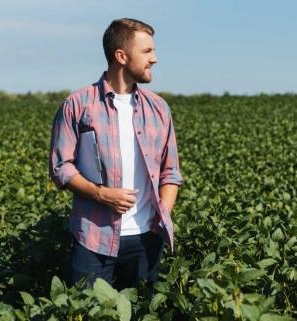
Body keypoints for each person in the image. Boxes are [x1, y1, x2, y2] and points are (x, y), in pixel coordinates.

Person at [48, 18, 182, 291]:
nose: (154, 59)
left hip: (146, 239)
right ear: (121, 56)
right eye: (146, 52)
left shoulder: (158, 108)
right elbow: (61, 167)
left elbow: (171, 172)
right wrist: (101, 194)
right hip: (94, 238)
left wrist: (163, 213)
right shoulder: (77, 104)